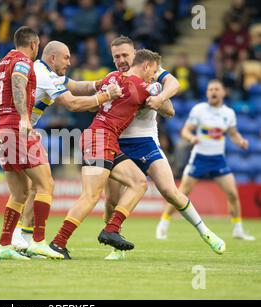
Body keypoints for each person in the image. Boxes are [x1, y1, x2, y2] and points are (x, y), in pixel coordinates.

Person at [0, 40, 123, 252]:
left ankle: (17, 237)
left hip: (1, 125)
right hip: (13, 127)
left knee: (27, 189)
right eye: (66, 57)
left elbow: (77, 86)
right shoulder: (45, 75)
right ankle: (26, 238)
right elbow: (73, 103)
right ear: (52, 58)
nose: (70, 62)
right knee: (41, 184)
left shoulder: (45, 72)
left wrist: (101, 83)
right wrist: (105, 96)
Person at [104, 36, 226, 260]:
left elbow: (172, 100)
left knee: (170, 191)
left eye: (125, 55)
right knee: (111, 199)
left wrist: (157, 97)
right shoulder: (112, 80)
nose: (121, 60)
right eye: (116, 57)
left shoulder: (152, 71)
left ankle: (206, 232)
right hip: (117, 142)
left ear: (135, 54)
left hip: (145, 141)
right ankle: (116, 247)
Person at [50, 49, 164, 259]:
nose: (154, 75)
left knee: (139, 182)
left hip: (106, 139)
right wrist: (159, 88)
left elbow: (84, 90)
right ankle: (58, 243)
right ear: (146, 66)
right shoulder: (142, 87)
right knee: (91, 196)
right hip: (100, 139)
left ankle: (111, 229)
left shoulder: (112, 77)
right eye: (154, 71)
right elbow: (169, 109)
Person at [156, 80, 255, 241]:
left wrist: (240, 141)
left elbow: (233, 133)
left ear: (223, 93)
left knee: (232, 194)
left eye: (216, 89)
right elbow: (185, 131)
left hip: (218, 160)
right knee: (181, 194)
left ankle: (238, 229)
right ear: (207, 93)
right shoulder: (199, 110)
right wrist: (191, 138)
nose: (213, 92)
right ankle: (163, 223)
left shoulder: (228, 113)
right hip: (199, 159)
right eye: (210, 89)